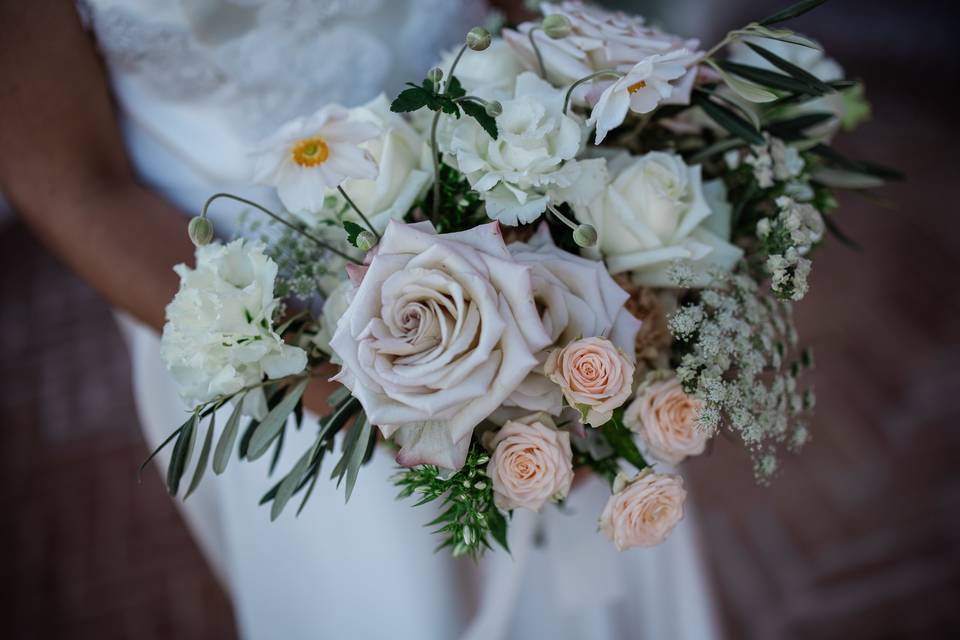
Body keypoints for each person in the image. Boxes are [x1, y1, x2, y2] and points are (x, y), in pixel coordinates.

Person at [0, 1, 719, 638]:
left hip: (526, 192)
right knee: (381, 593)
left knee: (590, 500)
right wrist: (361, 393)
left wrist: (644, 144)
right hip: (266, 317)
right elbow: (72, 185)